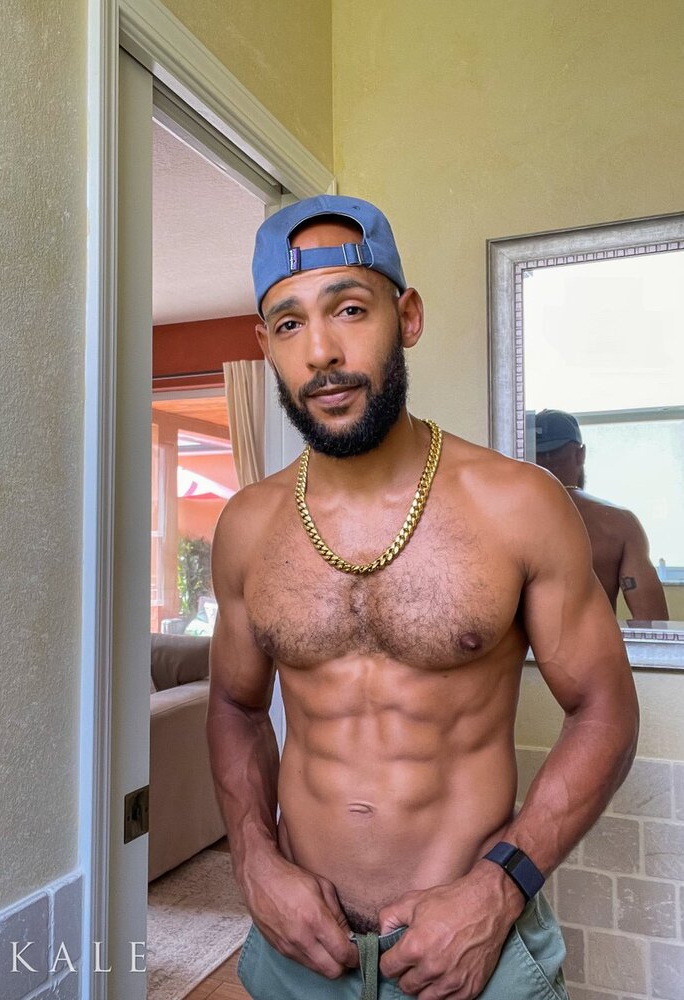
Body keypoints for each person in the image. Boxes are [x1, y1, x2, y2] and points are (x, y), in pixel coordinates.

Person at [206, 195, 639, 1000]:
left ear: (406, 317)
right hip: (300, 953)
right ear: (266, 346)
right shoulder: (247, 527)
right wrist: (254, 861)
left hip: (477, 950)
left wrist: (499, 890)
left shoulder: (518, 505)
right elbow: (235, 708)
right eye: (290, 324)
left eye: (349, 309)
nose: (322, 352)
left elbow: (605, 710)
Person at [534, 408, 669, 622]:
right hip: (592, 643)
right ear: (581, 454)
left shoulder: (505, 522)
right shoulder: (619, 524)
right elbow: (653, 622)